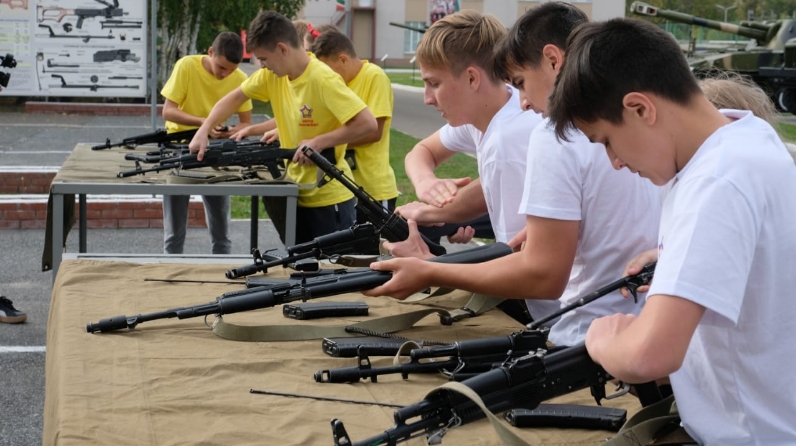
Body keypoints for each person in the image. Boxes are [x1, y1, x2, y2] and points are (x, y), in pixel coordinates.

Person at [547, 17, 796, 444]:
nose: (615, 163)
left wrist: (600, 338)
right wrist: (677, 257)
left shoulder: (716, 181)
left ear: (641, 109)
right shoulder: (745, 141)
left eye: (605, 140)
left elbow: (649, 356)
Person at [364, 2, 661, 347]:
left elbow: (536, 274)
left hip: (586, 332)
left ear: (553, 60)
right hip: (638, 324)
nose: (522, 103)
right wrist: (437, 211)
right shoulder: (619, 118)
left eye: (520, 83)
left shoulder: (553, 134)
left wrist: (430, 267)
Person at [379, 10, 557, 321]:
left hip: (552, 316)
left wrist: (430, 268)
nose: (427, 98)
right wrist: (428, 189)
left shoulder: (509, 140)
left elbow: (523, 263)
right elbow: (422, 152)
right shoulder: (493, 106)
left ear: (472, 78)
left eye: (434, 83)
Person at [189, 11, 377, 245]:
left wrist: (319, 142)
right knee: (302, 272)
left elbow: (367, 124)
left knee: (332, 273)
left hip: (329, 199)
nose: (263, 66)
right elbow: (235, 97)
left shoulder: (323, 79)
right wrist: (203, 129)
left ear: (282, 49)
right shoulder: (272, 77)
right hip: (295, 191)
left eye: (264, 59)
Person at [160, 31, 253, 254]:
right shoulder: (186, 66)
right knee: (174, 235)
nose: (226, 74)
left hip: (216, 151)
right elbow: (168, 112)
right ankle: (171, 278)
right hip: (179, 147)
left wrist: (228, 131)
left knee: (221, 233)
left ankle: (223, 278)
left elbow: (245, 124)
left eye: (231, 70)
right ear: (210, 52)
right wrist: (204, 123)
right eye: (222, 67)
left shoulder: (240, 78)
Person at [310, 29, 398, 252]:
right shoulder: (337, 83)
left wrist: (326, 141)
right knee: (348, 257)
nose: (326, 76)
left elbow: (374, 131)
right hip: (345, 189)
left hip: (374, 190)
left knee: (377, 257)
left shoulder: (374, 77)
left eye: (328, 69)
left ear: (343, 59)